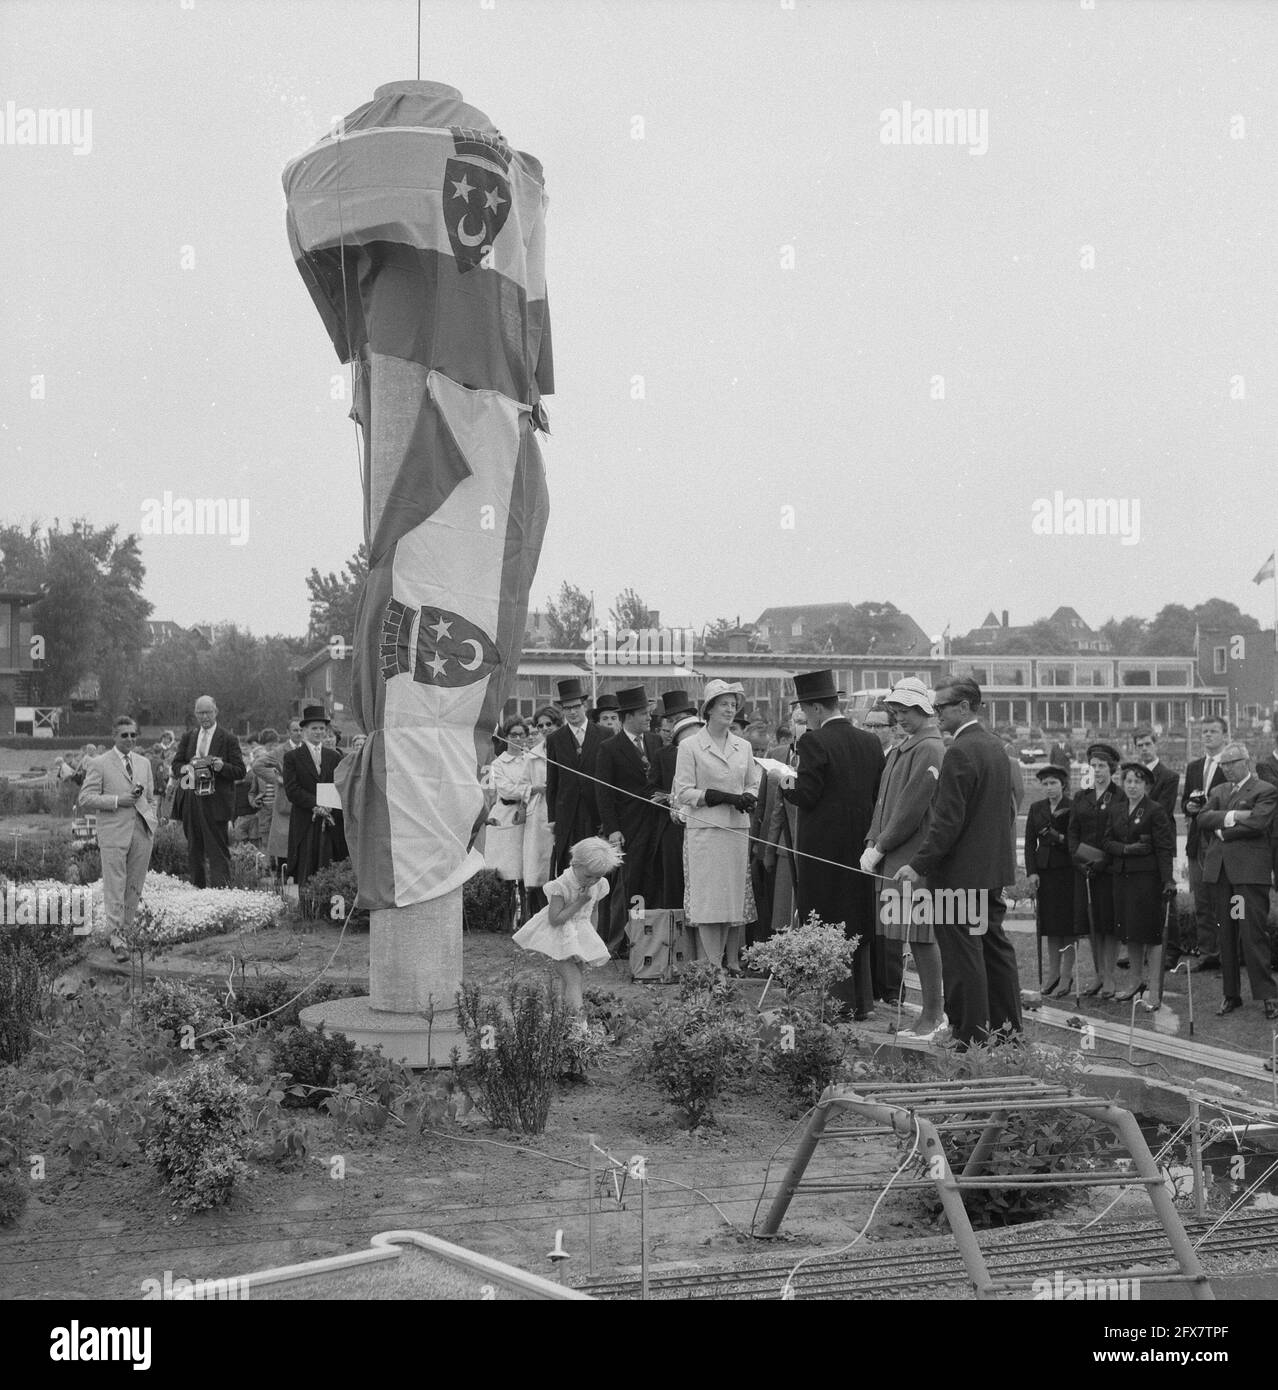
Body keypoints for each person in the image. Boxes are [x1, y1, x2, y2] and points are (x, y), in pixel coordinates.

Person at [895, 677, 1021, 1050]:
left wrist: (918, 864)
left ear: (965, 706)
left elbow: (948, 820)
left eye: (942, 707)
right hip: (991, 871)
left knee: (963, 955)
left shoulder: (961, 750)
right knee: (995, 950)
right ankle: (1007, 1032)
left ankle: (968, 1035)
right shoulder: (995, 747)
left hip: (961, 876)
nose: (938, 714)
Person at [784, 669, 883, 1018]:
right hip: (859, 846)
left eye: (805, 711)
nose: (805, 719)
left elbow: (807, 795)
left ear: (816, 709)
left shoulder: (814, 742)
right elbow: (877, 794)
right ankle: (862, 1000)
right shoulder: (870, 741)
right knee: (856, 918)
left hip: (822, 850)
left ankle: (836, 1003)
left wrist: (782, 781)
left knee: (825, 919)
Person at [860, 679, 946, 1038]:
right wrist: (872, 840)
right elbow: (883, 803)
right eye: (897, 712)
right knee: (910, 936)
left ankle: (934, 1014)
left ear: (924, 710)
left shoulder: (929, 749)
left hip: (912, 858)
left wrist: (880, 845)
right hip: (893, 855)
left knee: (922, 937)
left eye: (907, 712)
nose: (901, 719)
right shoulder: (904, 748)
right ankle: (929, 1013)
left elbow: (912, 807)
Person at [673, 679, 760, 970]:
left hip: (736, 829)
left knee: (730, 902)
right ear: (708, 709)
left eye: (733, 705)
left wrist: (749, 795)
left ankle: (722, 963)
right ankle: (712, 968)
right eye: (724, 704)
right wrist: (712, 796)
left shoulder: (743, 746)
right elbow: (683, 791)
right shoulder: (690, 746)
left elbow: (753, 781)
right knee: (710, 902)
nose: (730, 709)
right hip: (706, 830)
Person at [1197, 743, 1278, 1019]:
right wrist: (1234, 816)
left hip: (1247, 875)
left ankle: (1268, 995)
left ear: (1247, 761)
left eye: (1231, 763)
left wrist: (1224, 832)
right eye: (1222, 764)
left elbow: (1258, 823)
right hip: (1222, 875)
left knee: (1252, 933)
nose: (1226, 768)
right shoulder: (1218, 791)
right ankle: (1231, 994)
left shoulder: (1264, 790)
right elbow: (1202, 818)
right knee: (1226, 933)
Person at [78, 716, 158, 956]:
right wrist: (116, 801)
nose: (130, 739)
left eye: (133, 735)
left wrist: (152, 819)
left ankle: (127, 931)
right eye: (125, 735)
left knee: (134, 884)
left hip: (141, 832)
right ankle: (115, 937)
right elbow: (85, 798)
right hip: (114, 833)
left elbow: (151, 796)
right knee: (115, 885)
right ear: (114, 736)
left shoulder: (144, 763)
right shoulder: (99, 763)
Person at [512, 836, 619, 1013]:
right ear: (575, 864)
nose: (592, 881)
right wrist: (579, 902)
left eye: (598, 877)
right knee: (573, 979)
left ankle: (562, 1018)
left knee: (572, 980)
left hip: (580, 936)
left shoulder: (598, 885)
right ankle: (579, 1025)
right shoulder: (561, 886)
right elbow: (555, 919)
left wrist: (592, 938)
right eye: (588, 876)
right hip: (560, 938)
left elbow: (594, 911)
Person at [595, 685, 663, 955]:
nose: (649, 718)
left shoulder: (656, 742)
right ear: (629, 716)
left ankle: (647, 938)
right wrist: (612, 829)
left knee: (651, 880)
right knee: (627, 884)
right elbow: (603, 792)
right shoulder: (609, 748)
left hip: (655, 825)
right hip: (627, 827)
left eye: (649, 713)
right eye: (644, 714)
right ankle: (618, 941)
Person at [1105, 761, 1176, 1009]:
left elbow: (1164, 847)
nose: (1132, 786)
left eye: (1137, 781)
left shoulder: (1154, 810)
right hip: (1122, 879)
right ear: (1122, 784)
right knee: (1131, 933)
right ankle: (1135, 982)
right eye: (1128, 781)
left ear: (1146, 785)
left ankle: (1154, 991)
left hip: (1147, 880)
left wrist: (1168, 879)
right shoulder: (1116, 809)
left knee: (1152, 934)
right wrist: (1126, 849)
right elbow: (1107, 842)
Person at [170, 695, 246, 887]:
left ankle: (221, 894)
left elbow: (240, 771)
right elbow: (176, 764)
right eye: (200, 713)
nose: (204, 717)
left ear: (216, 712)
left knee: (217, 852)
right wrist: (186, 769)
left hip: (216, 802)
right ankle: (198, 893)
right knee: (194, 851)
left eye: (208, 712)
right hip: (191, 799)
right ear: (195, 714)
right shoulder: (189, 737)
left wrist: (221, 767)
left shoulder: (228, 738)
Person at [1068, 741, 1121, 997]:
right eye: (1093, 766)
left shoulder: (1119, 797)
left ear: (1111, 769)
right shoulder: (1082, 797)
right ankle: (1098, 975)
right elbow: (1073, 833)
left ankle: (1110, 976)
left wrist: (1103, 862)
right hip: (1084, 871)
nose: (1097, 770)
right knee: (1092, 925)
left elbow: (1120, 834)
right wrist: (1080, 862)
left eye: (1101, 766)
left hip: (1109, 871)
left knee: (1108, 925)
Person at [1024, 758, 1078, 997]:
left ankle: (1066, 976)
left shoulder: (1073, 806)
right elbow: (1028, 843)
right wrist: (1032, 871)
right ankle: (1053, 974)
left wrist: (1059, 838)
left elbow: (1077, 841)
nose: (1049, 787)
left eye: (1053, 782)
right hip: (1044, 872)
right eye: (1044, 783)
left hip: (1067, 870)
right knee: (1050, 927)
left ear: (1063, 784)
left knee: (1067, 927)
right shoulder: (1037, 808)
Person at [1180, 716, 1230, 970]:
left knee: (1223, 899)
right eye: (1204, 732)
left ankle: (1229, 953)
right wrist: (1188, 807)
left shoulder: (1232, 766)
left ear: (1224, 735)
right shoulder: (1194, 767)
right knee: (1201, 899)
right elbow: (1185, 803)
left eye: (1213, 731)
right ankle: (1208, 952)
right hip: (1197, 840)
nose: (1208, 736)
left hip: (1221, 840)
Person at [545, 678, 607, 876]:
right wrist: (553, 817)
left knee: (597, 861)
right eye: (567, 708)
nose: (572, 712)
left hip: (595, 810)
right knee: (569, 864)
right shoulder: (555, 739)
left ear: (585, 705)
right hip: (567, 813)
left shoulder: (604, 734)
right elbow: (552, 781)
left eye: (576, 707)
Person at [282, 704, 348, 887]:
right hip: (306, 818)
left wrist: (329, 806)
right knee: (307, 863)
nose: (319, 732)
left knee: (329, 861)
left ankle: (328, 907)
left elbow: (339, 784)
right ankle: (307, 909)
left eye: (322, 728)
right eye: (314, 728)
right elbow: (292, 789)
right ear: (304, 731)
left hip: (330, 819)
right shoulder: (293, 757)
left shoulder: (333, 756)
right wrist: (316, 805)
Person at [647, 691, 699, 910]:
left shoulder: (705, 751)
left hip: (700, 823)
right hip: (672, 828)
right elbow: (651, 789)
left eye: (680, 718)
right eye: (671, 719)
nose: (676, 724)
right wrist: (668, 799)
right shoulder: (663, 754)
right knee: (674, 882)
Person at [485, 716, 533, 926]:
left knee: (525, 867)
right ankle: (505, 919)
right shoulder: (498, 763)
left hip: (528, 816)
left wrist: (530, 791)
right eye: (513, 735)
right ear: (506, 737)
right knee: (505, 868)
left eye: (521, 735)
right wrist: (531, 790)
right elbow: (506, 789)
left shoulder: (531, 760)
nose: (517, 739)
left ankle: (526, 917)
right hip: (506, 816)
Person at [522, 706, 560, 915]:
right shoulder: (532, 756)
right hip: (539, 813)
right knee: (539, 866)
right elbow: (521, 785)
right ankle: (537, 915)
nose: (545, 728)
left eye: (549, 724)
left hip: (561, 810)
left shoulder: (566, 749)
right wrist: (536, 788)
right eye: (540, 725)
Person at [1133, 727, 1179, 821]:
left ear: (1156, 745)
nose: (1144, 749)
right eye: (1140, 746)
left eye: (1148, 744)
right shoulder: (1131, 776)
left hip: (1158, 832)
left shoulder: (1170, 777)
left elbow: (1163, 811)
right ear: (1136, 749)